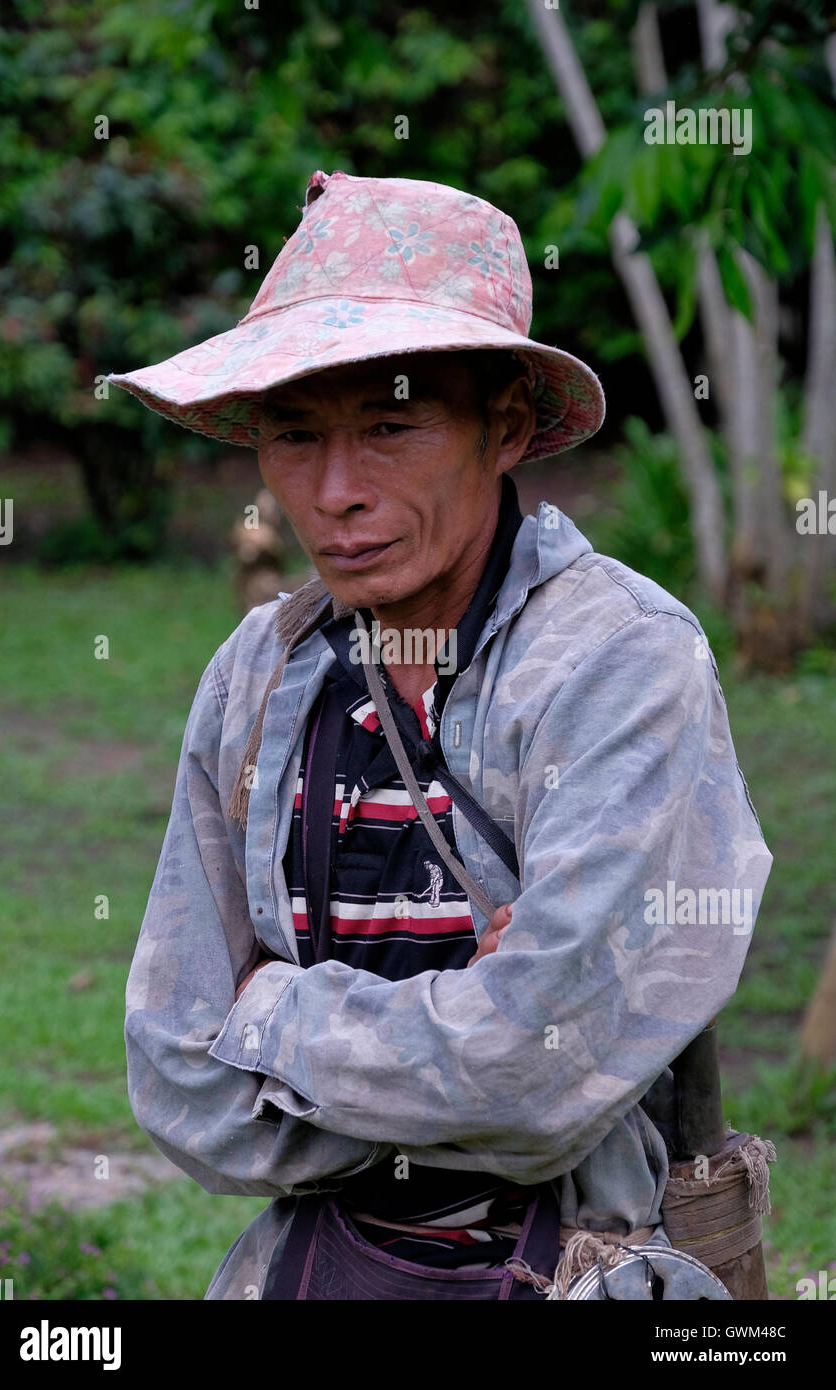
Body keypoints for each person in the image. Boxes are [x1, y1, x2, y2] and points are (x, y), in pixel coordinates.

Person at [108, 170, 773, 1300]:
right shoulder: (258, 676)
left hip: (579, 1267)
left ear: (502, 423)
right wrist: (465, 1037)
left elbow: (530, 1069)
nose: (333, 492)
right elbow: (177, 1079)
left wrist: (272, 1009)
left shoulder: (619, 663)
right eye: (292, 434)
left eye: (390, 427)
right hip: (320, 1270)